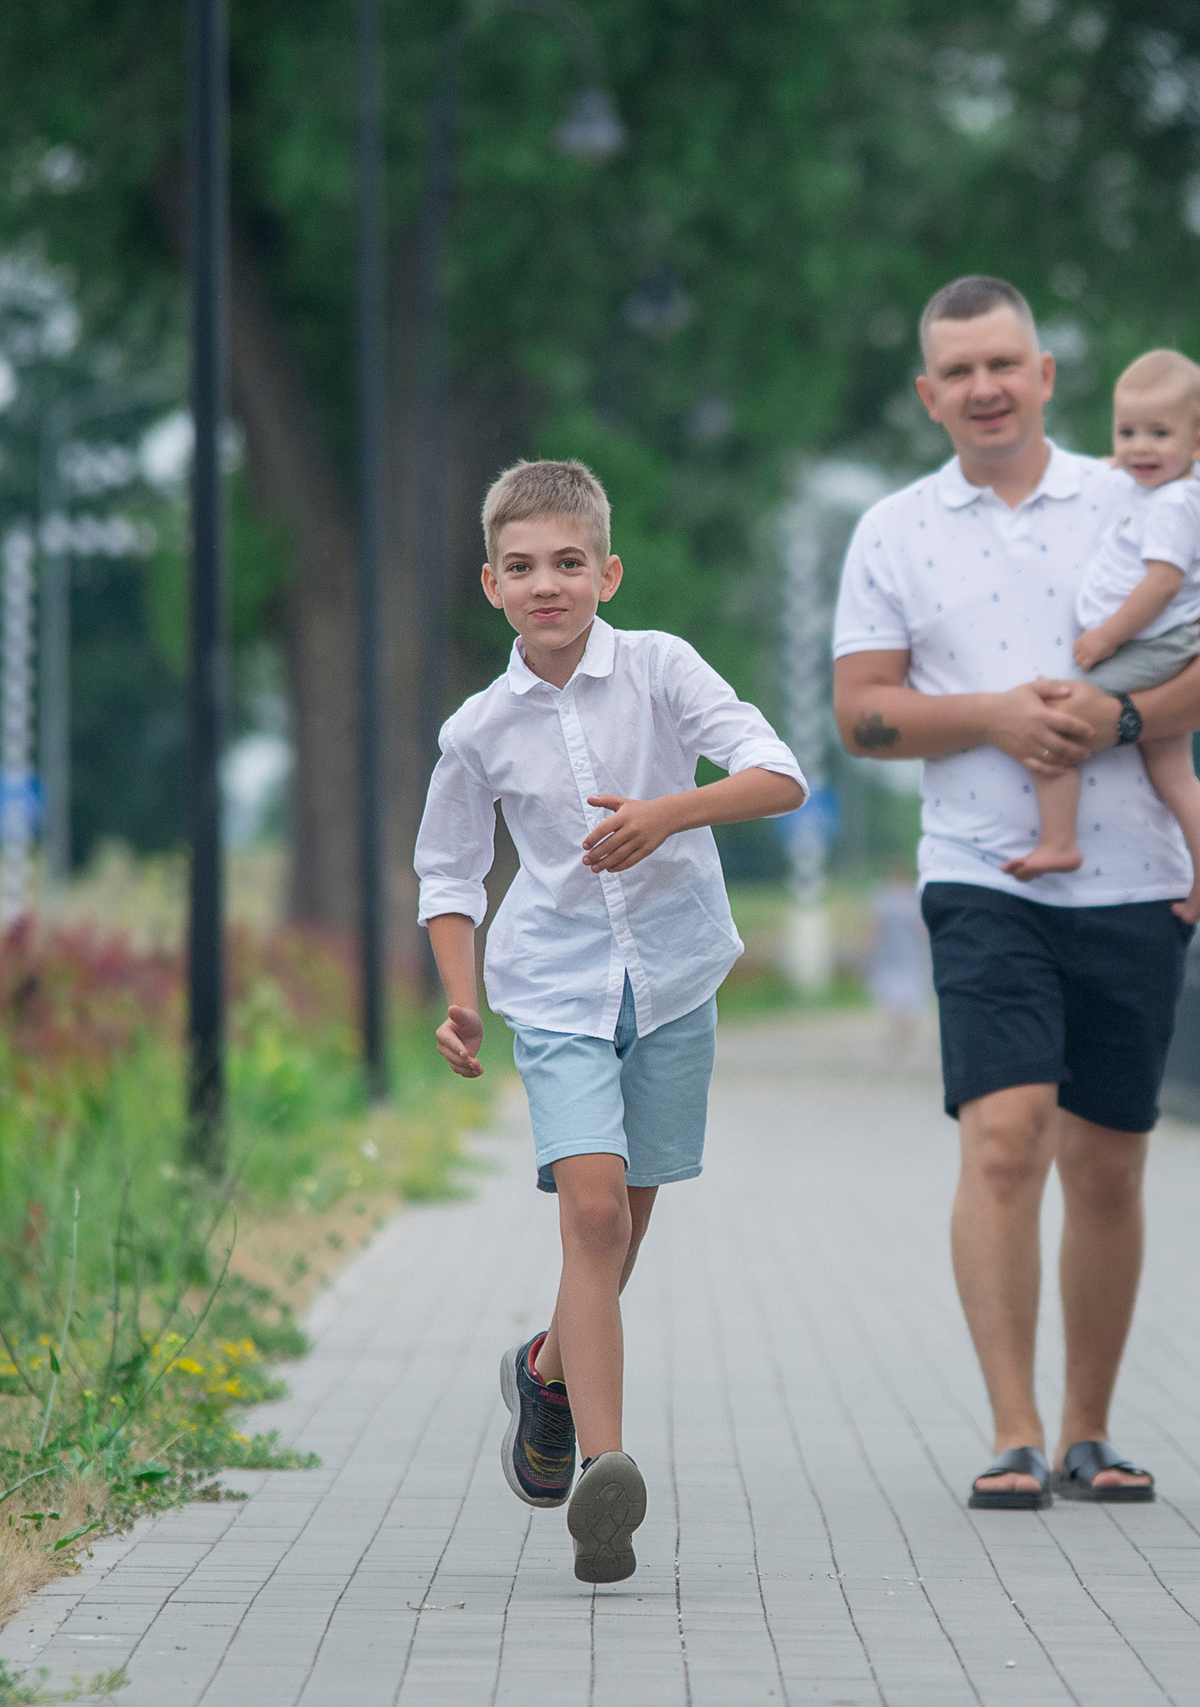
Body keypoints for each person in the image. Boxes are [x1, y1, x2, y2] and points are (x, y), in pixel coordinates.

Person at [831, 275, 1200, 1509]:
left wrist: (1119, 719)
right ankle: (1013, 1432)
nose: (985, 388)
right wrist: (995, 716)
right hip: (982, 875)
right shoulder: (893, 530)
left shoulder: (1138, 492)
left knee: (1108, 1165)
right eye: (959, 371)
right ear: (929, 394)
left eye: (1003, 363)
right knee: (1006, 1137)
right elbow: (862, 714)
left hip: (1135, 880)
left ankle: (1089, 1432)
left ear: (1044, 374)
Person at [414, 458, 807, 1583]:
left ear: (608, 573)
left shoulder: (661, 669)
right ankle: (606, 1474)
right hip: (554, 988)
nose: (547, 584)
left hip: (676, 979)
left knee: (619, 1233)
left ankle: (544, 1373)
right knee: (590, 1218)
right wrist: (459, 996)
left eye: (569, 563)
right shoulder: (477, 729)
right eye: (522, 567)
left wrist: (671, 813)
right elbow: (449, 873)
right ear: (490, 583)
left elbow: (778, 774)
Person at [998, 349, 1200, 922]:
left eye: (1158, 434)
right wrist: (1122, 463)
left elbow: (1161, 583)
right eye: (1127, 433)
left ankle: (1060, 840)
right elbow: (1141, 467)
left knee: (1056, 720)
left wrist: (1105, 638)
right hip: (1161, 642)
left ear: (1199, 443)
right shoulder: (1181, 484)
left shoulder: (1172, 506)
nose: (1139, 449)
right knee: (1174, 773)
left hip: (1147, 645)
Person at [867, 863, 932, 1055]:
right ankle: (905, 1031)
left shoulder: (883, 900)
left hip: (889, 954)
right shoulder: (914, 900)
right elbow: (922, 928)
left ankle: (898, 1029)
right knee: (910, 992)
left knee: (891, 992)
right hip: (910, 954)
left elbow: (875, 928)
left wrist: (870, 950)